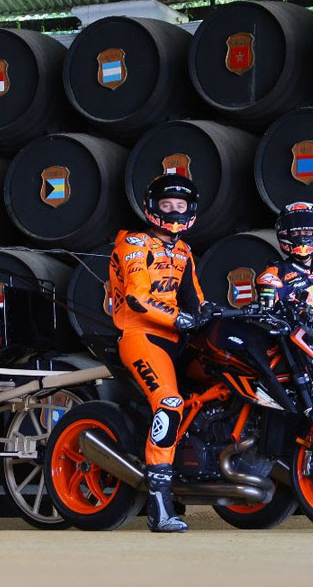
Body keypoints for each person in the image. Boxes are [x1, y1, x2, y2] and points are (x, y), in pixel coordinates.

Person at [109, 173, 207, 533]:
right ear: (152, 208)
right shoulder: (134, 243)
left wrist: (211, 316)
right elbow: (137, 297)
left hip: (178, 336)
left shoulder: (183, 251)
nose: (174, 212)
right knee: (169, 402)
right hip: (141, 334)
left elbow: (196, 299)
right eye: (167, 205)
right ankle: (160, 506)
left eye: (181, 205)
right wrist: (178, 318)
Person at [256, 201, 313, 326]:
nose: (302, 237)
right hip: (289, 336)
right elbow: (268, 320)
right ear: (285, 234)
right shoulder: (274, 274)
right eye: (296, 232)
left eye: (307, 232)